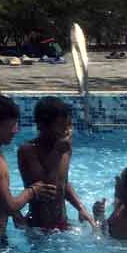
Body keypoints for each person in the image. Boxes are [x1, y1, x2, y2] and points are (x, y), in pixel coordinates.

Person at [0, 94, 53, 251]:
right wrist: (33, 191)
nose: (16, 130)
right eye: (12, 125)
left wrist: (17, 216)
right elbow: (9, 206)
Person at [18, 97, 97, 232]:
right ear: (42, 125)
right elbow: (46, 187)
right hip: (38, 228)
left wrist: (81, 208)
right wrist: (57, 152)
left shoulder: (64, 148)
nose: (66, 131)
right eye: (61, 126)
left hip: (62, 223)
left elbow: (62, 182)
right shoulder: (29, 151)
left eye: (69, 126)